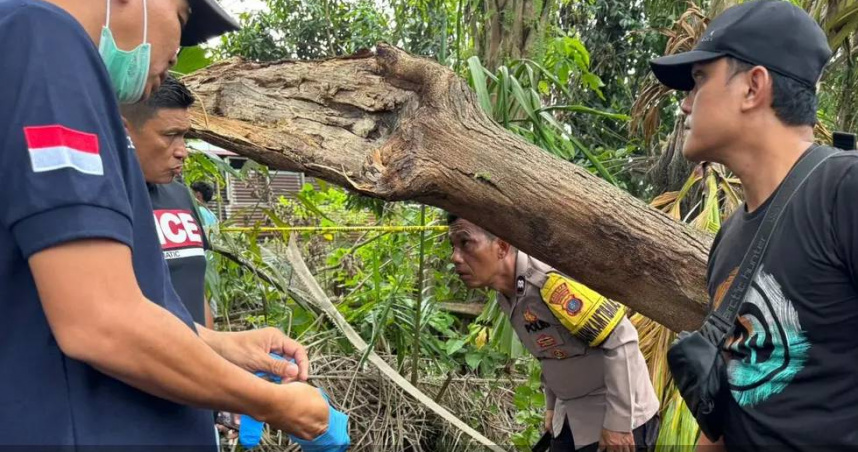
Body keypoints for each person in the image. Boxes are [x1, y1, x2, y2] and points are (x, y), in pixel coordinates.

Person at [0, 0, 338, 447]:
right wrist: (271, 403)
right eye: (181, 18)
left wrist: (223, 346)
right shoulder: (44, 39)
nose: (178, 51)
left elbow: (81, 297)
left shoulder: (54, 67)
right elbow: (101, 321)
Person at [649, 1, 858, 450]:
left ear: (753, 87)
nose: (685, 103)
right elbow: (735, 412)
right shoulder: (729, 239)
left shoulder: (844, 192)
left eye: (699, 79)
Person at [447, 215, 660, 452]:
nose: (455, 257)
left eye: (465, 243)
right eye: (452, 246)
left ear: (502, 246)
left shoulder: (549, 282)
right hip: (570, 418)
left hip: (616, 421)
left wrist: (618, 424)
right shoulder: (506, 295)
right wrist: (552, 406)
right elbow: (549, 352)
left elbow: (621, 338)